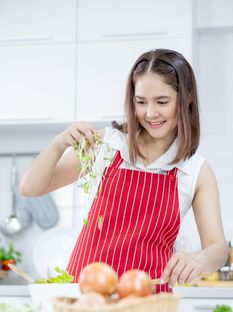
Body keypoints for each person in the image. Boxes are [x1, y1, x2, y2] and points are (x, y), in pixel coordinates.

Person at [20, 48, 228, 293]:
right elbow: (30, 187)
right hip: (86, 294)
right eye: (141, 102)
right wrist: (59, 143)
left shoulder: (195, 171)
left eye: (162, 102)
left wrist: (199, 259)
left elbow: (218, 248)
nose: (150, 113)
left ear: (187, 97)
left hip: (146, 300)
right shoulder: (106, 145)